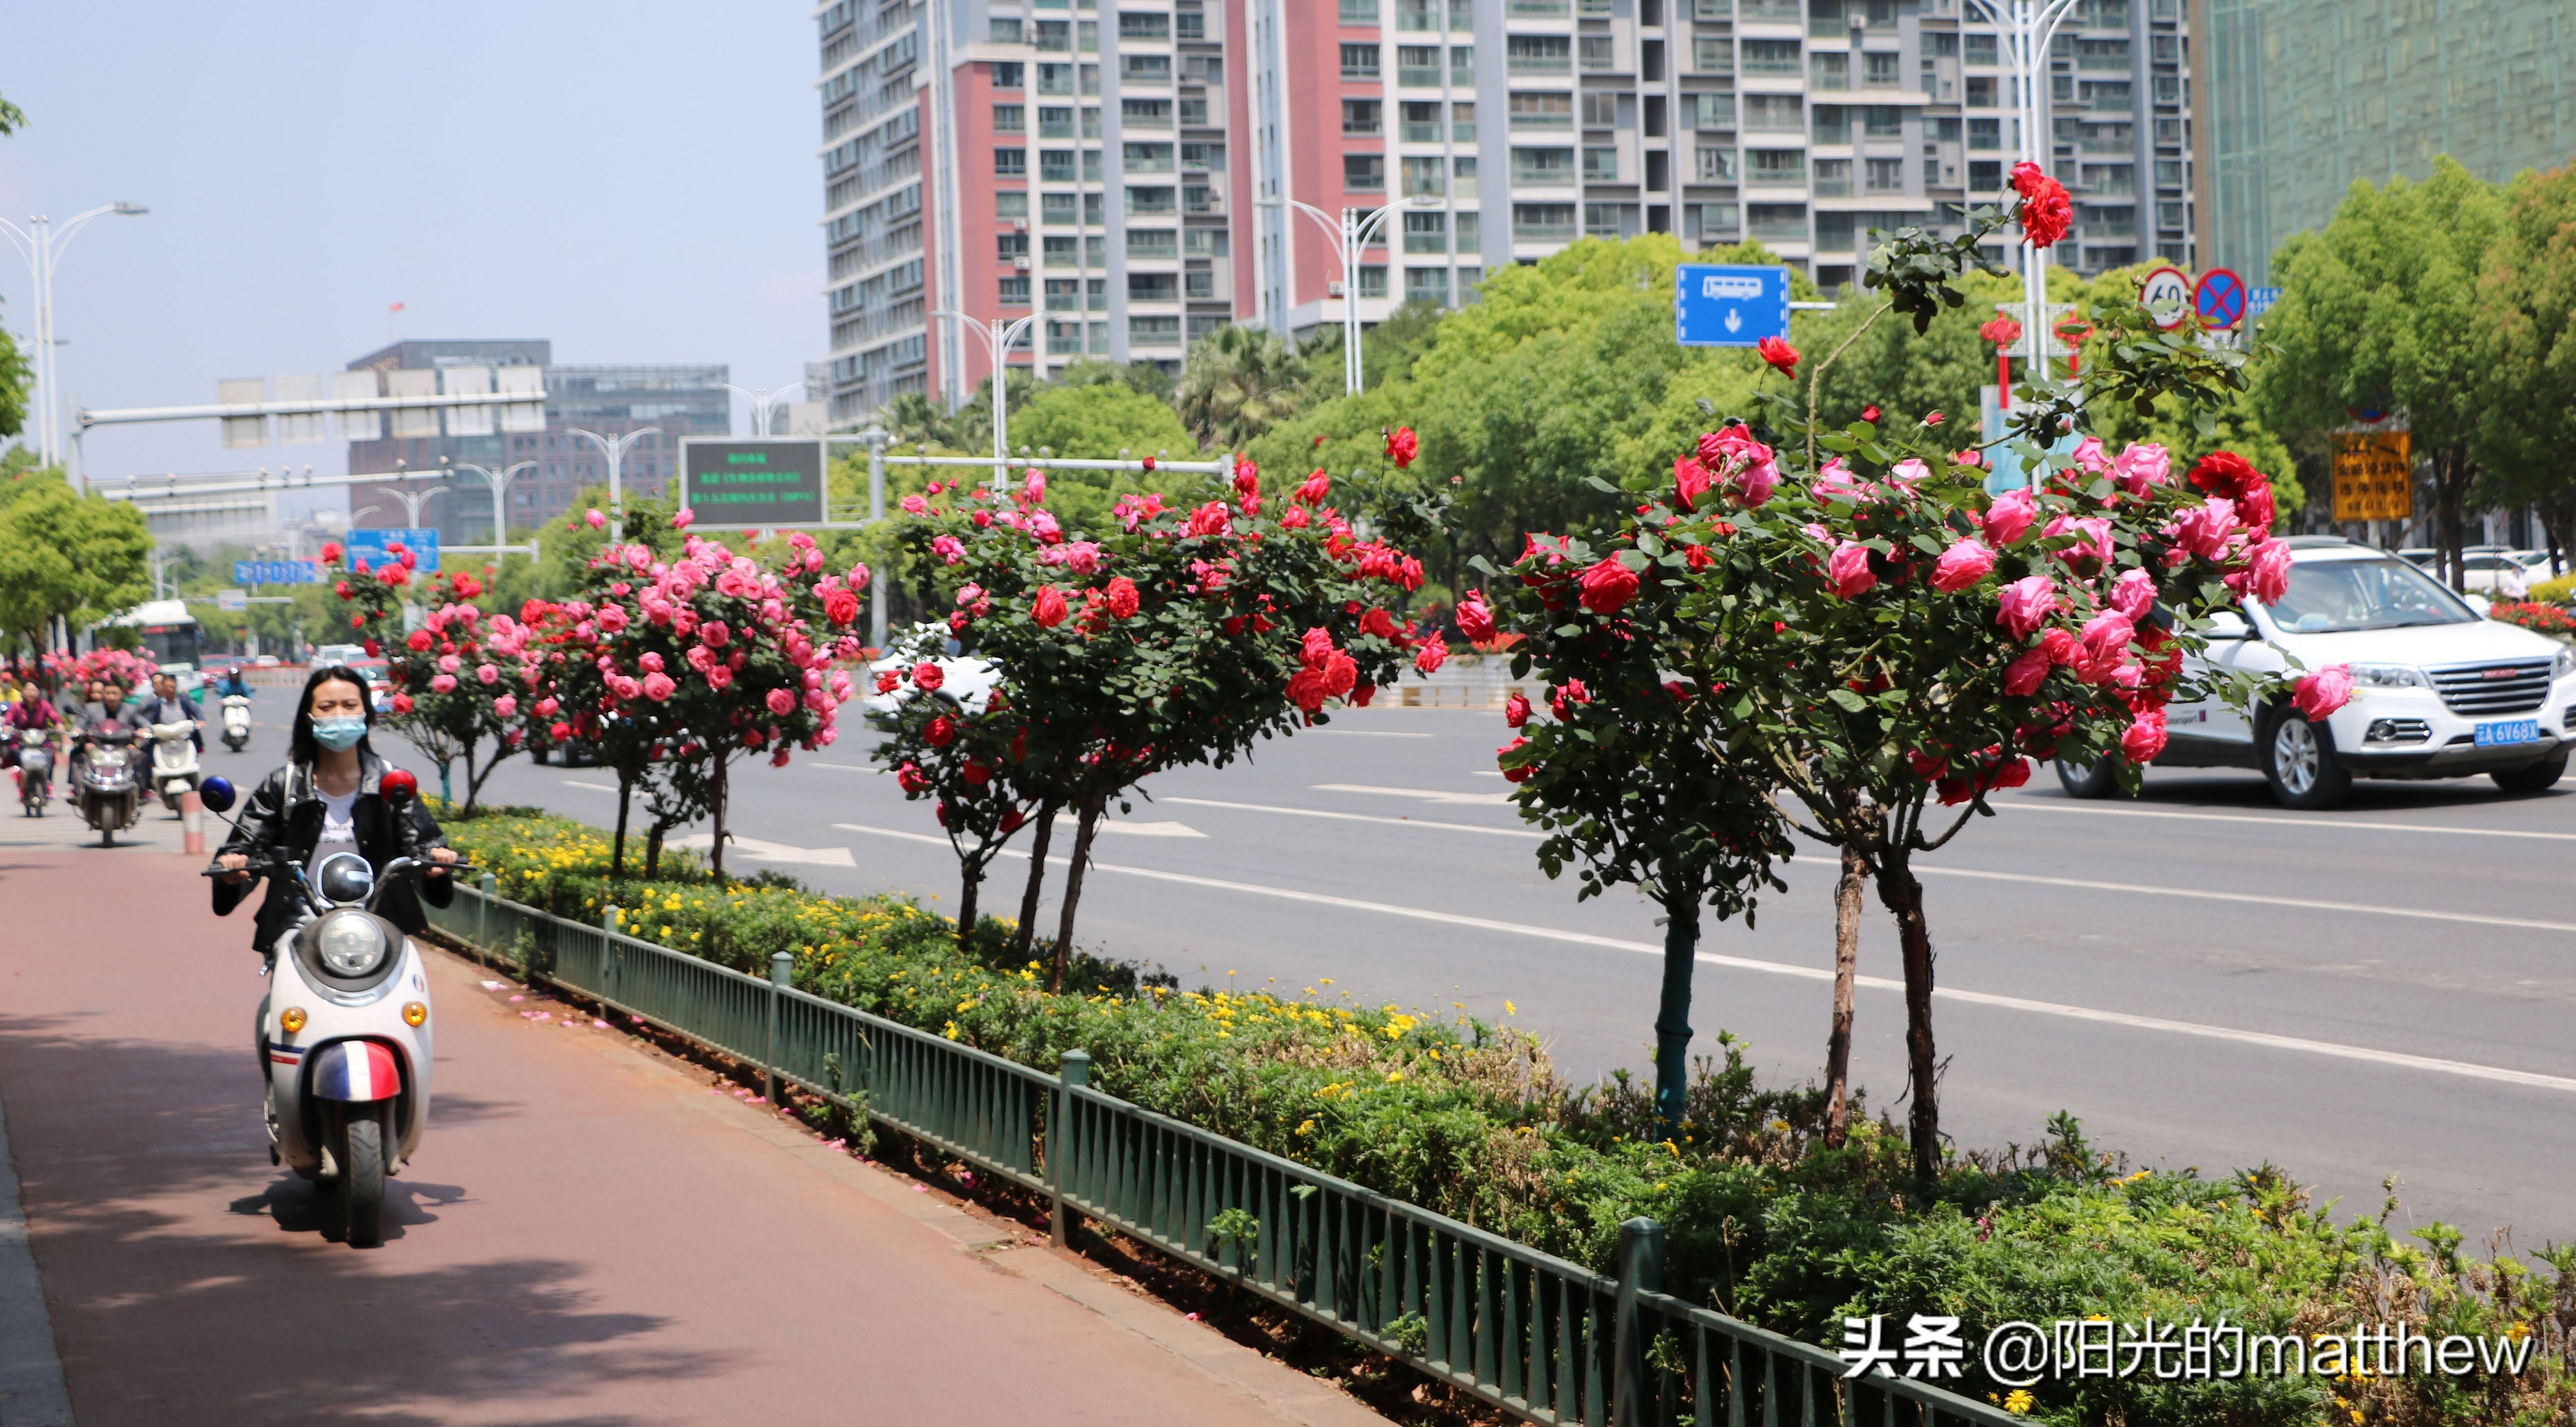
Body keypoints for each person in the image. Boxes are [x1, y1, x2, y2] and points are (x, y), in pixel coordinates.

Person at [211, 665, 457, 960]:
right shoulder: (284, 784)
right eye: (327, 707)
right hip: (298, 924)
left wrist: (436, 864)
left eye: (350, 705)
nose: (340, 714)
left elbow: (426, 845)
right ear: (310, 716)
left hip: (378, 926)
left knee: (409, 997)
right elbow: (244, 844)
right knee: (289, 998)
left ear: (366, 712)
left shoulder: (392, 782)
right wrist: (234, 864)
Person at [138, 671, 205, 751]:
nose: (170, 690)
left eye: (172, 687)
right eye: (167, 687)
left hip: (185, 738)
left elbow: (196, 710)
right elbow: (148, 719)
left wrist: (200, 721)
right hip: (163, 740)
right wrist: (146, 729)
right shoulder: (155, 704)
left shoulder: (184, 700)